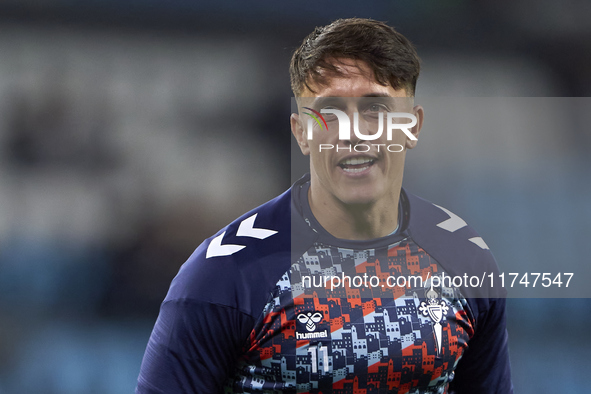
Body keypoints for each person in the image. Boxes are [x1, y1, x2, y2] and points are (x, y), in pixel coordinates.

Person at [136, 18, 512, 394]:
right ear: (301, 132)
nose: (353, 133)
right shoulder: (226, 272)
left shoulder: (464, 260)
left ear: (411, 127)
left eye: (375, 110)